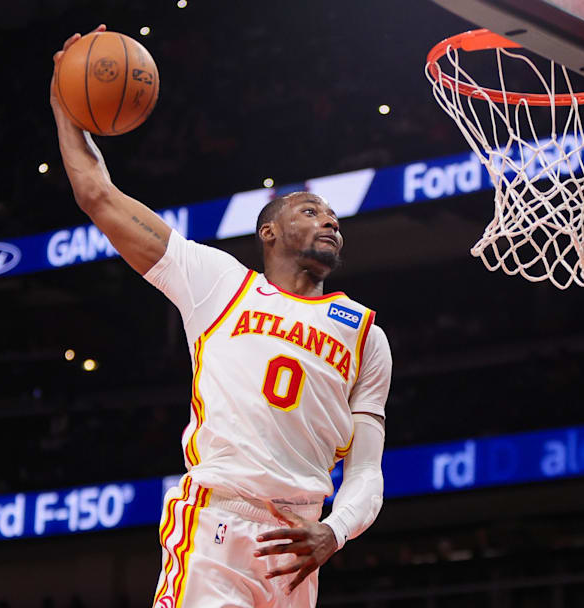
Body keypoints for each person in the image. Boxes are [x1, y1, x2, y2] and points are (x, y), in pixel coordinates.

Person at [50, 26, 392, 608]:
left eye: (335, 215)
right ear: (271, 232)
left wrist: (335, 531)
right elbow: (98, 196)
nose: (330, 221)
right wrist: (65, 105)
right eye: (311, 211)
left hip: (300, 548)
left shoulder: (366, 335)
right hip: (218, 528)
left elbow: (366, 472)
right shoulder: (220, 284)